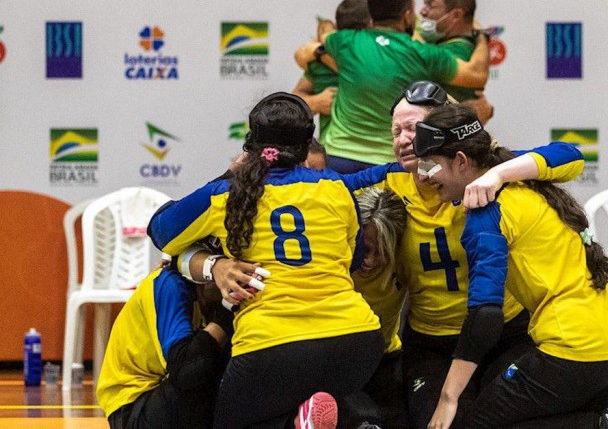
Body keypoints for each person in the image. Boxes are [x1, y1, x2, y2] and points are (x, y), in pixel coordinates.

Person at [339, 81, 585, 429]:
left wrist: (499, 174)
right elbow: (314, 187)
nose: (403, 139)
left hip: (504, 334)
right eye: (395, 131)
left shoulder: (481, 172)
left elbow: (571, 156)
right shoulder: (388, 180)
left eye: (412, 128)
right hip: (432, 345)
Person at [147, 92, 384, 429]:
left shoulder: (228, 194)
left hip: (272, 343)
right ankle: (348, 422)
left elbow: (160, 231)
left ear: (251, 145)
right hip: (356, 339)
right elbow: (354, 257)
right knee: (314, 412)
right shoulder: (336, 187)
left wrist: (229, 175)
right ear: (306, 146)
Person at [412, 104, 608, 429]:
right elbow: (569, 155)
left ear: (461, 161)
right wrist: (500, 173)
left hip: (572, 352)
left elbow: (485, 316)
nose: (420, 175)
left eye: (428, 165)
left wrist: (448, 399)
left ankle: (599, 425)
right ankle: (602, 423)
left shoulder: (487, 212)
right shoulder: (522, 177)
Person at [295, 0, 490, 173]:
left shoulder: (343, 42)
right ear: (407, 16)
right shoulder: (423, 54)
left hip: (338, 156)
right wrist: (482, 37)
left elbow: (324, 34)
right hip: (388, 162)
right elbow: (476, 75)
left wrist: (318, 48)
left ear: (370, 16)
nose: (421, 14)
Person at [96, 264, 234, 428]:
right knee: (200, 371)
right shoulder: (169, 283)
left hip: (161, 396)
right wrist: (229, 312)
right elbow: (186, 370)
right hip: (133, 408)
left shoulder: (202, 296)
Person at [339, 187, 409, 429]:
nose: (369, 261)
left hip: (386, 357)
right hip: (334, 360)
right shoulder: (334, 254)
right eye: (364, 250)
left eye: (382, 253)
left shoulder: (407, 257)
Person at [292, 0, 371, 141]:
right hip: (334, 151)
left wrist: (320, 53)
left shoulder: (321, 58)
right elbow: (293, 104)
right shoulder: (319, 64)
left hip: (378, 152)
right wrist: (316, 102)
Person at [418, 0, 494, 124]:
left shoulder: (455, 52)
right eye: (424, 2)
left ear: (456, 15)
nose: (422, 11)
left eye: (430, 4)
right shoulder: (473, 40)